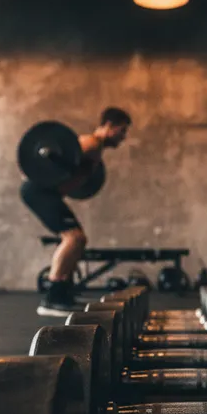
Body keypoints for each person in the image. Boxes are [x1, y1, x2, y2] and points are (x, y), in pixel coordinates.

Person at [21, 107, 131, 314]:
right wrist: (41, 168)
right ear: (109, 126)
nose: (123, 137)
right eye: (122, 130)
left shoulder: (96, 148)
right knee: (74, 238)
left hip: (45, 193)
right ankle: (53, 297)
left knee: (78, 239)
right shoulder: (91, 143)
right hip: (39, 191)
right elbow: (55, 161)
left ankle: (63, 293)